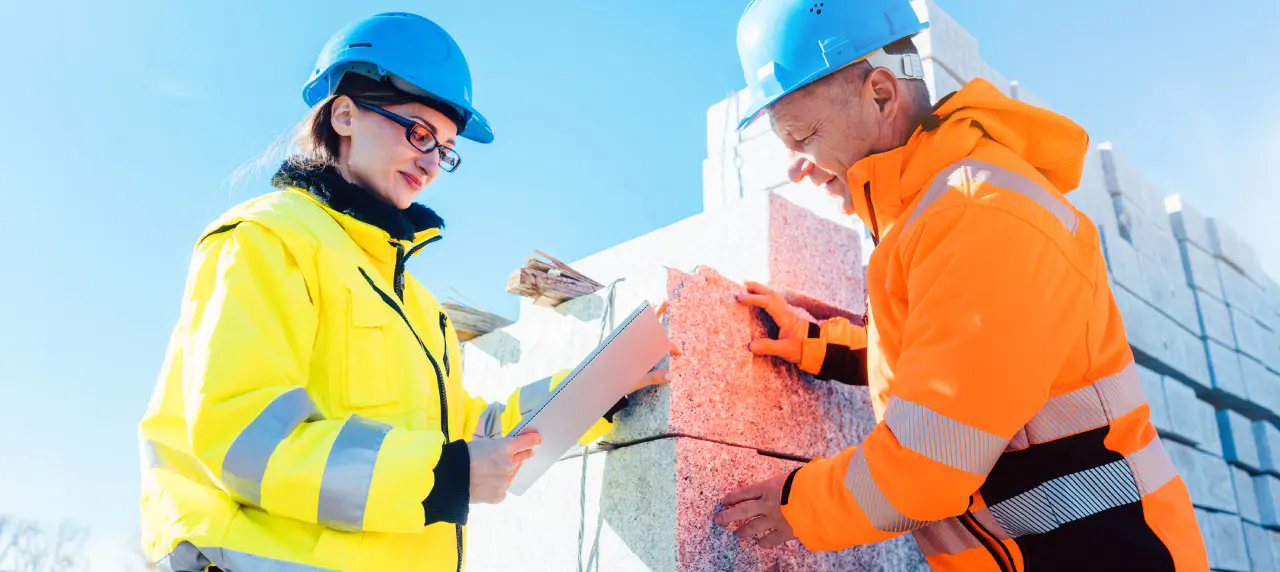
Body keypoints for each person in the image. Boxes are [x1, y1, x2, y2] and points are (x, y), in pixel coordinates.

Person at [137, 12, 667, 572]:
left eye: (446, 148)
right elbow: (244, 438)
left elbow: (471, 435)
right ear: (344, 114)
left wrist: (599, 390)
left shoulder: (416, 305)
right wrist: (445, 476)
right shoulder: (266, 240)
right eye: (419, 133)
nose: (433, 163)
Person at [712, 0, 1208, 569]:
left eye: (803, 136)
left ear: (880, 93)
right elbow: (945, 354)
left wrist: (796, 506)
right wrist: (816, 343)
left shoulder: (982, 215)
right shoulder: (931, 212)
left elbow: (929, 461)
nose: (797, 166)